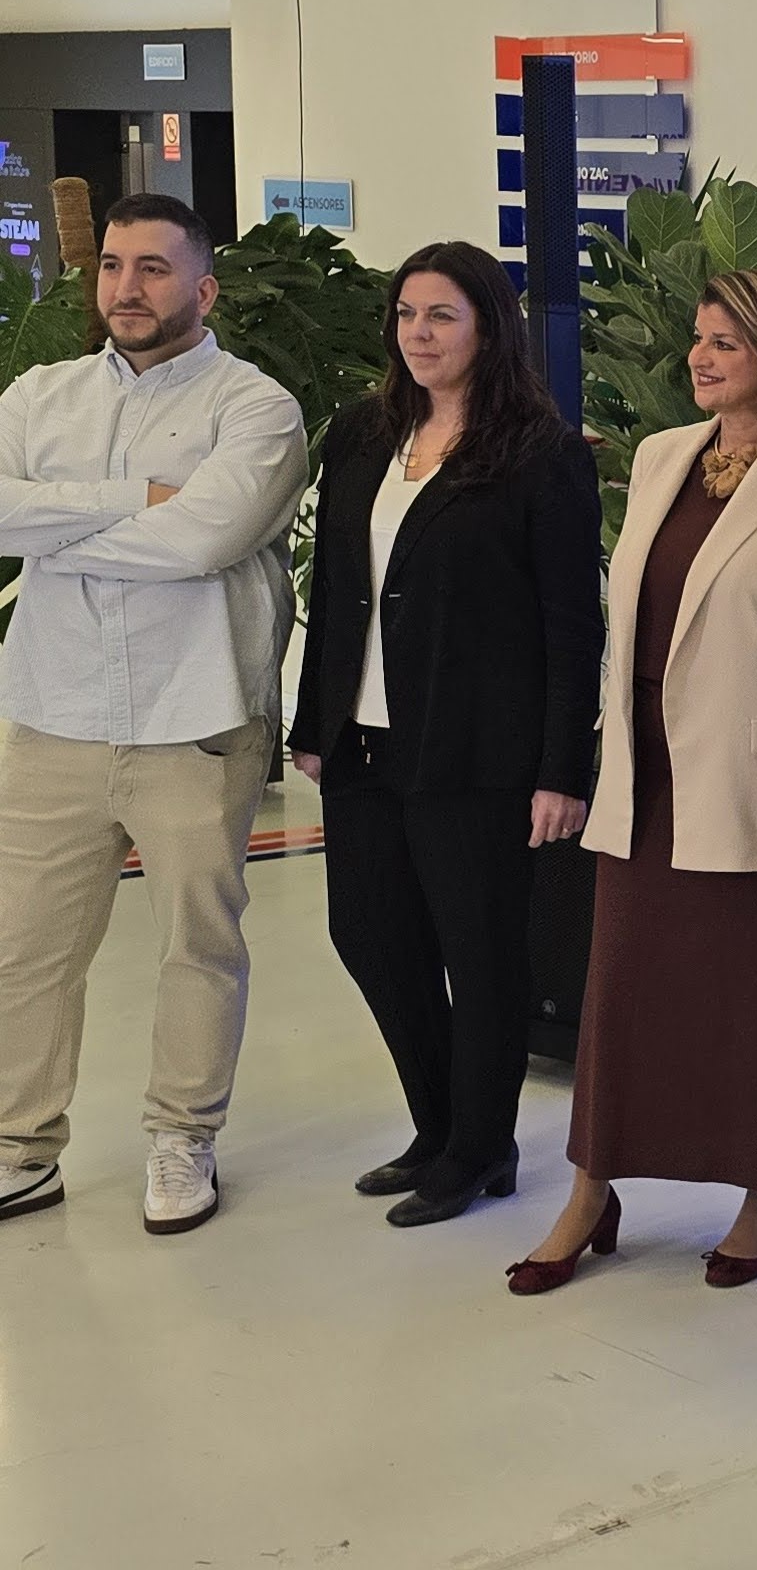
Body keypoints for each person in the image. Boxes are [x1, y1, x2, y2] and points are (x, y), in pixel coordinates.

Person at [505, 269, 757, 1297]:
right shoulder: (664, 454)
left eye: (727, 341)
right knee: (624, 998)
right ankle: (591, 1190)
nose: (700, 357)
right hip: (647, 769)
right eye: (699, 337)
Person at [0, 193, 307, 1234]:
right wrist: (138, 498)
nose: (126, 287)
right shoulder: (40, 396)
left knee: (196, 943)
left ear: (203, 289)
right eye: (113, 265)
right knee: (26, 948)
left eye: (154, 268)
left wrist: (52, 526)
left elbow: (204, 541)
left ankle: (183, 1136)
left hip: (194, 718)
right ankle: (19, 1147)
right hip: (54, 715)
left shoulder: (255, 408)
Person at [288, 240, 600, 1227]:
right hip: (363, 739)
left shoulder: (542, 454)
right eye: (406, 315)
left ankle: (479, 1147)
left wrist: (562, 769)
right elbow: (336, 588)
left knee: (481, 950)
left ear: (488, 328)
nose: (417, 334)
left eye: (440, 316)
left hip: (478, 751)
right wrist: (311, 721)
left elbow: (571, 625)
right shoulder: (364, 432)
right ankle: (437, 1127)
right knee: (370, 933)